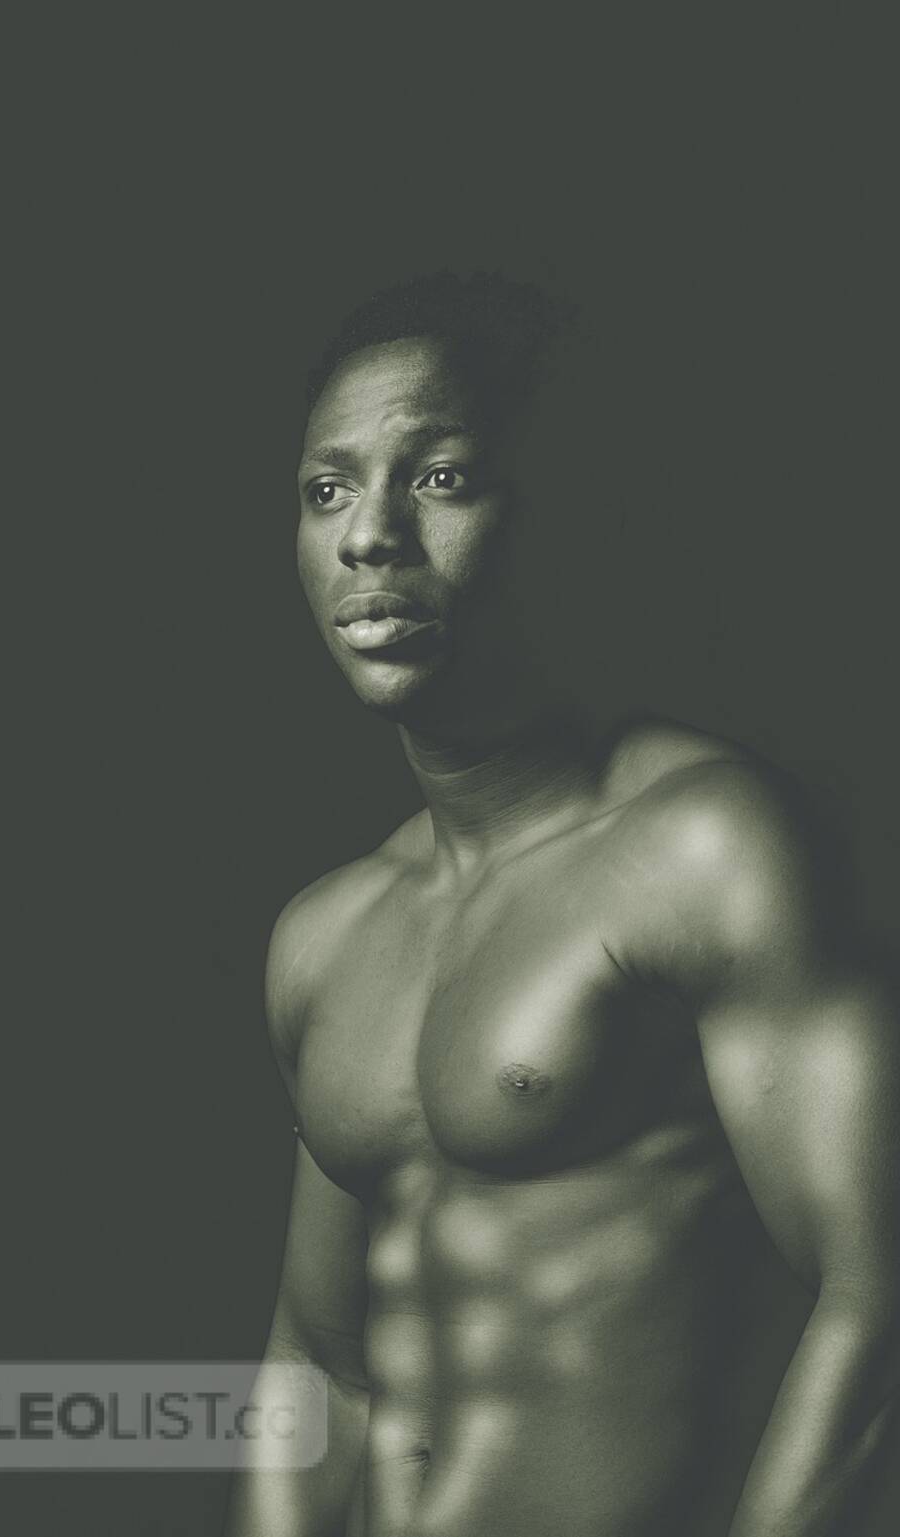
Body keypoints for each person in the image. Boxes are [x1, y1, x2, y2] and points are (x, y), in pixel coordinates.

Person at [223, 272, 899, 1537]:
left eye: (439, 477)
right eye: (326, 491)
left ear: (543, 505)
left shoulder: (703, 847)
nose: (369, 536)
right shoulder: (322, 939)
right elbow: (320, 1369)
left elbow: (877, 1303)